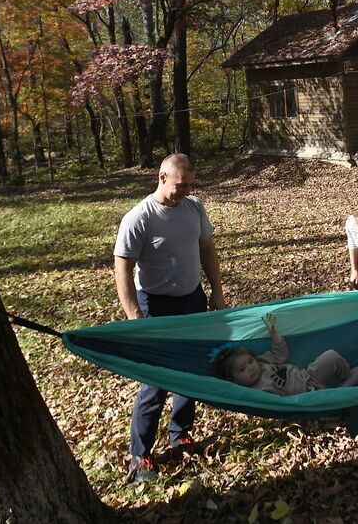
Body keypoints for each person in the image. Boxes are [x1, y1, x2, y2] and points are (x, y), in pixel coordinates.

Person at [115, 153, 225, 484]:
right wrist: (134, 316)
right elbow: (123, 267)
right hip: (155, 305)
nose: (187, 191)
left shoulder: (194, 207)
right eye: (181, 185)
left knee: (190, 370)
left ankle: (181, 434)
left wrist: (216, 291)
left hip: (191, 299)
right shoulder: (139, 218)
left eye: (191, 185)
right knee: (157, 380)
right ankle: (140, 454)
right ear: (162, 178)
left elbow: (207, 248)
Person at [213, 313, 358, 395]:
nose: (250, 367)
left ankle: (346, 375)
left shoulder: (262, 362)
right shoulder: (255, 393)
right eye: (242, 369)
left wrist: (273, 332)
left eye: (250, 362)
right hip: (305, 397)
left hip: (309, 376)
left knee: (331, 356)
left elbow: (281, 354)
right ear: (233, 380)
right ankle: (346, 387)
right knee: (328, 400)